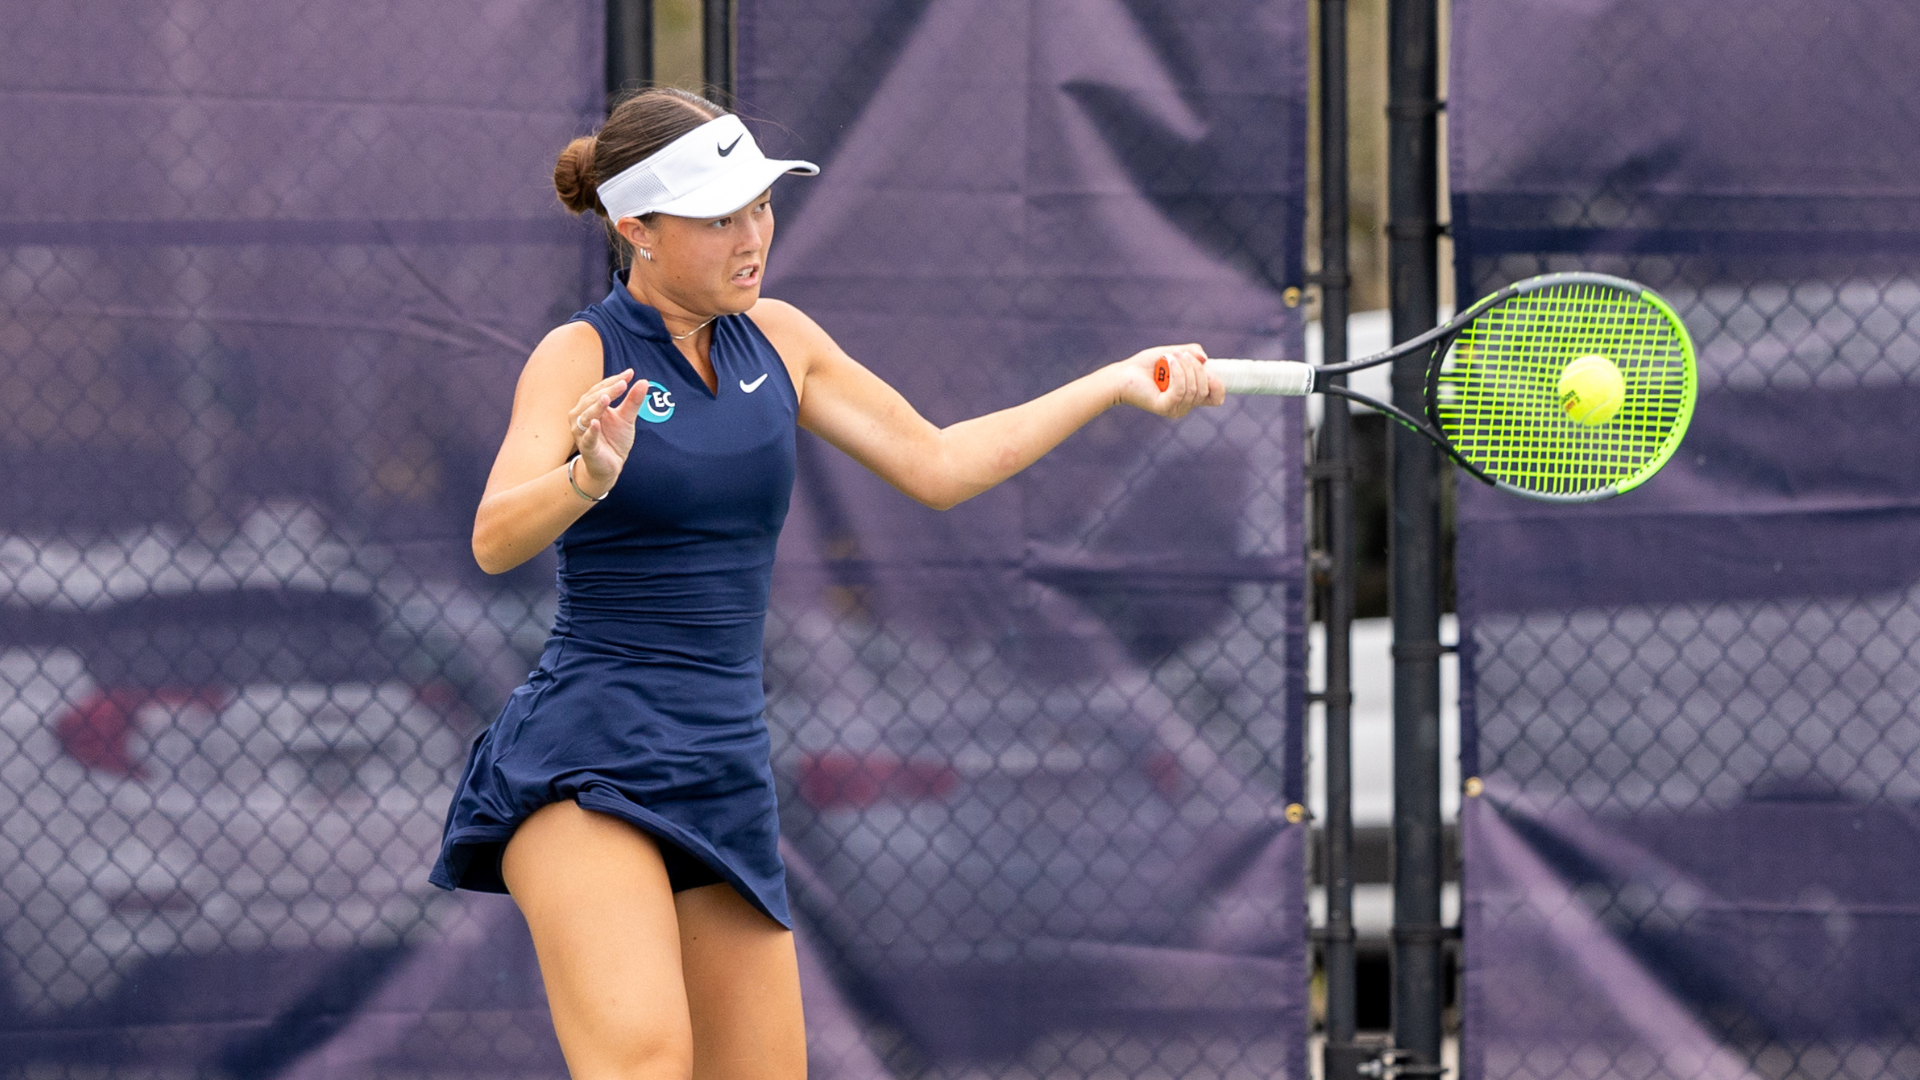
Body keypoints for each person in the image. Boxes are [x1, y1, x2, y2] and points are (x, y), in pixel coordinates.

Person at [429, 87, 1223, 1080]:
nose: (752, 235)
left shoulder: (785, 341)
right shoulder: (579, 354)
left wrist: (1114, 380)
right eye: (719, 217)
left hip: (721, 762)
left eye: (759, 205)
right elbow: (496, 537)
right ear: (637, 228)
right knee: (644, 1059)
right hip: (585, 759)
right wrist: (587, 476)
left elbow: (937, 464)